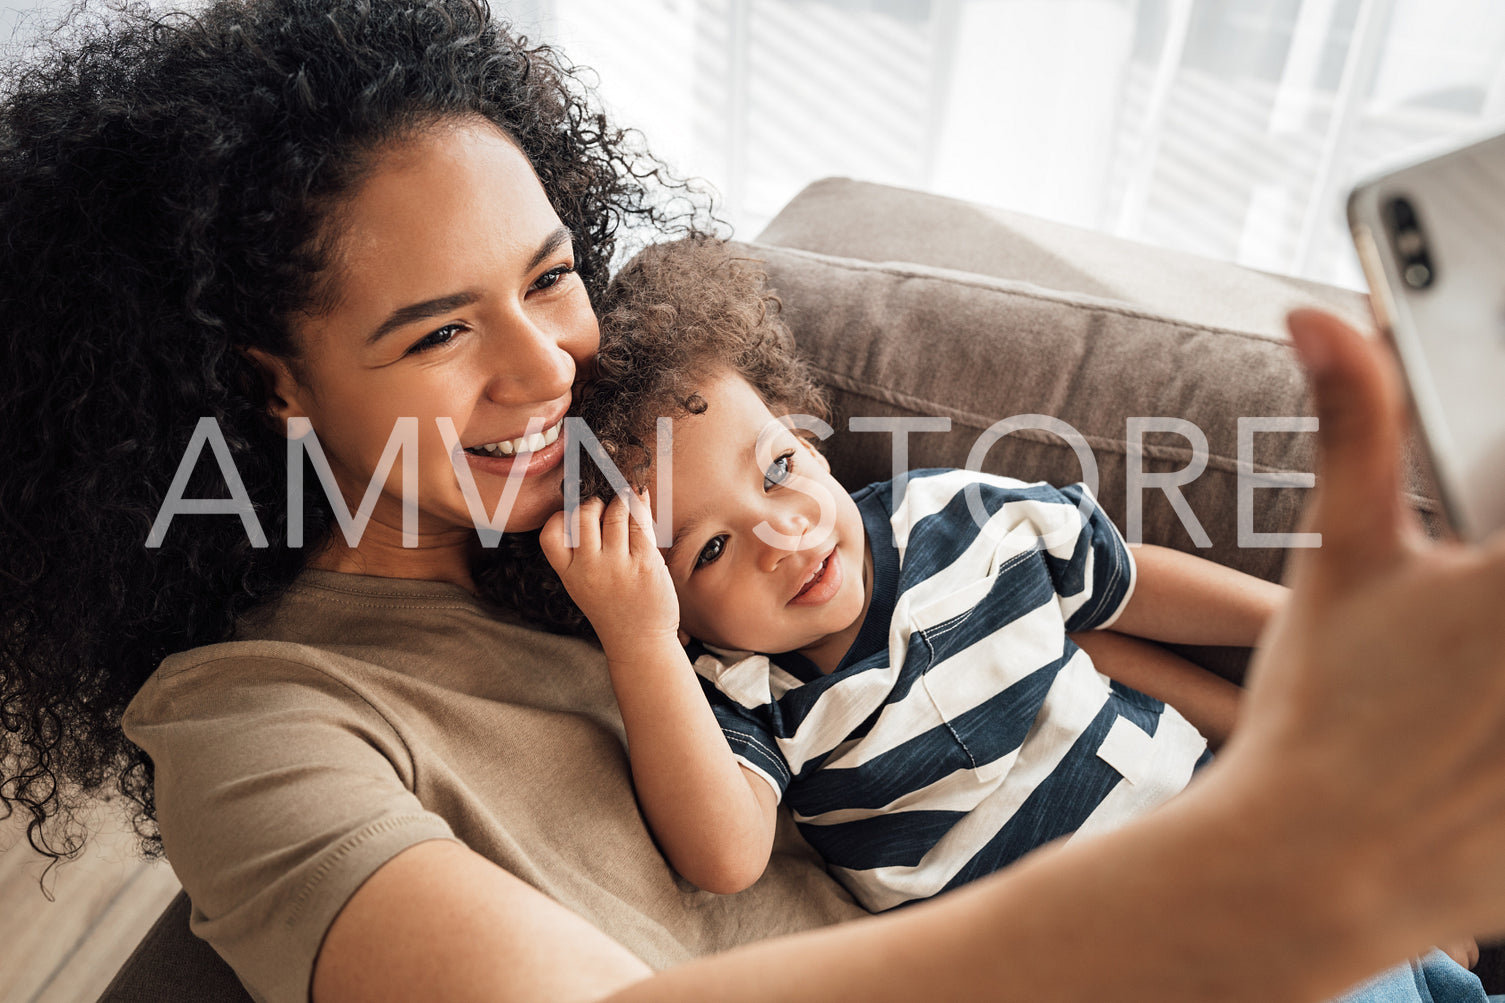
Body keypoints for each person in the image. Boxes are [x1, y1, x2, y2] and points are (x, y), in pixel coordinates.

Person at [2, 2, 1505, 1003]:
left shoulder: (632, 494)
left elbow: (977, 636)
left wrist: (1301, 712)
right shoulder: (251, 725)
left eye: (549, 278)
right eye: (440, 331)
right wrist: (1257, 871)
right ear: (274, 382)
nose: (549, 365)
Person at [525, 238, 1484, 999]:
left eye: (777, 467)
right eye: (711, 550)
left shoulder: (948, 515)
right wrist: (640, 640)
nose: (782, 532)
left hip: (1227, 843)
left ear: (802, 430)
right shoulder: (746, 692)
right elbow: (726, 856)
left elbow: (1118, 579)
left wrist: (1296, 620)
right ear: (674, 601)